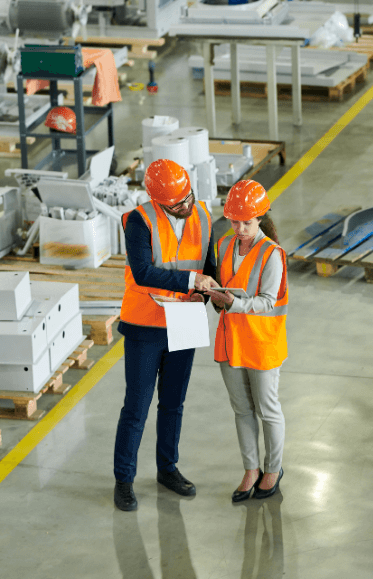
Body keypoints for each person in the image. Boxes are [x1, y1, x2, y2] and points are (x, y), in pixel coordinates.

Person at [113, 159, 219, 512]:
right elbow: (143, 272)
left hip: (185, 318)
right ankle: (124, 480)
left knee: (173, 403)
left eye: (188, 196)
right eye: (178, 203)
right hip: (146, 324)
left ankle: (168, 468)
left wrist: (217, 295)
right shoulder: (138, 222)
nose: (186, 205)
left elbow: (210, 266)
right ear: (159, 201)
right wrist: (193, 282)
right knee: (137, 407)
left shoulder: (203, 216)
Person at [205, 180, 289, 502]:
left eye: (247, 222)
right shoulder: (225, 245)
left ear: (260, 218)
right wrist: (214, 296)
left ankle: (273, 469)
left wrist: (232, 303)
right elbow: (226, 284)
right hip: (231, 340)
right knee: (241, 409)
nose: (239, 228)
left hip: (261, 343)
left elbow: (269, 301)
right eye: (234, 221)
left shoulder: (272, 254)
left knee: (267, 409)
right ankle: (251, 469)